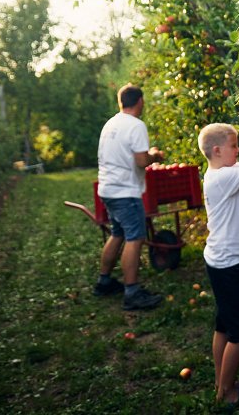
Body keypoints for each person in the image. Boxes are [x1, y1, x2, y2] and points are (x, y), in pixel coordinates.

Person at [198, 123, 239, 404]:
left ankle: (222, 382)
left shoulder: (219, 174)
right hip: (230, 264)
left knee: (224, 323)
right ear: (217, 150)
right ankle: (227, 393)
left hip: (222, 261)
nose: (238, 150)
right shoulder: (222, 178)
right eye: (234, 146)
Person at [93, 84, 164, 311]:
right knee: (135, 237)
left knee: (117, 233)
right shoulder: (136, 125)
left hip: (107, 189)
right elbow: (141, 161)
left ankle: (104, 281)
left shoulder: (110, 123)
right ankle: (132, 292)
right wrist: (155, 155)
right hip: (125, 192)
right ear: (140, 101)